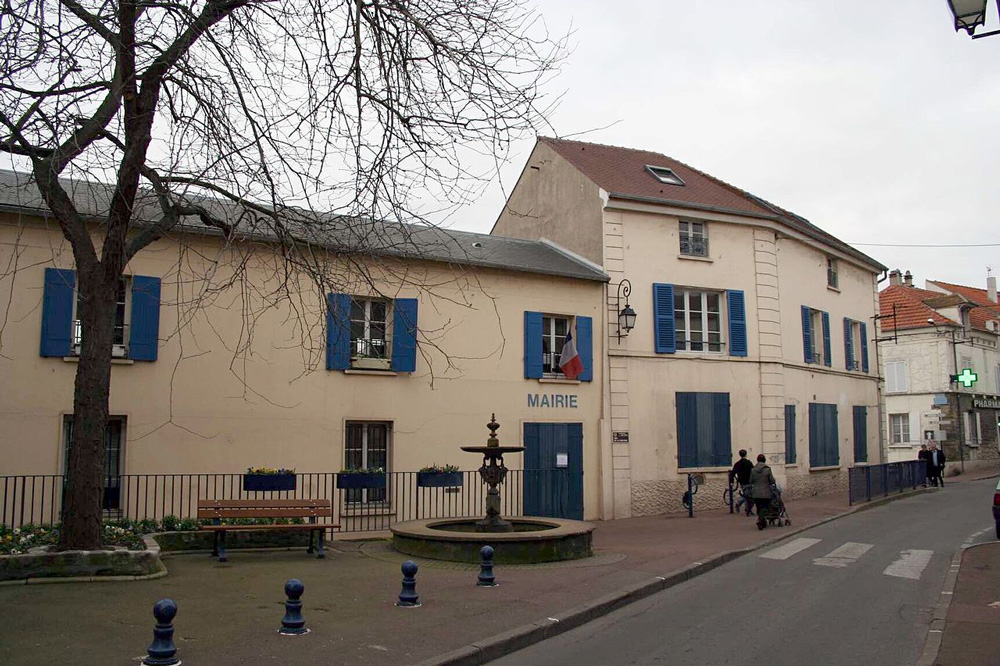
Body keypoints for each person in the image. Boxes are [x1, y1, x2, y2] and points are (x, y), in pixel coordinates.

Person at [749, 454, 776, 530]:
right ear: (765, 460)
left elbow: (751, 481)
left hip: (756, 492)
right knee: (764, 507)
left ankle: (762, 521)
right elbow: (772, 480)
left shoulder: (753, 470)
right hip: (765, 492)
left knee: (759, 507)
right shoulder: (767, 469)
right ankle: (761, 521)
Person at [728, 449, 755, 516]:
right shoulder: (749, 463)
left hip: (742, 482)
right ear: (746, 454)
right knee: (749, 497)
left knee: (746, 495)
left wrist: (731, 481)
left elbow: (733, 473)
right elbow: (753, 472)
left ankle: (741, 505)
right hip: (749, 482)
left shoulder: (737, 464)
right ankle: (747, 510)